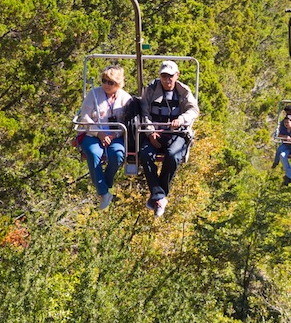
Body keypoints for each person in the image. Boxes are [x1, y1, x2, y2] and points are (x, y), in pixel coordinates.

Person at [139, 60, 199, 217]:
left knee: (173, 155)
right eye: (164, 76)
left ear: (177, 76)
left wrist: (181, 119)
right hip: (155, 132)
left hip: (176, 133)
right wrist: (150, 133)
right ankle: (160, 197)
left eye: (170, 76)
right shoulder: (151, 90)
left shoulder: (183, 91)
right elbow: (144, 112)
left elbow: (193, 110)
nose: (167, 80)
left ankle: (158, 195)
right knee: (145, 154)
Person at [77, 65, 133, 210]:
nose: (106, 85)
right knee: (93, 153)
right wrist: (99, 133)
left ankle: (104, 183)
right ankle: (103, 192)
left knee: (118, 154)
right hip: (93, 133)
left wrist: (114, 134)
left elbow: (128, 122)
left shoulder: (126, 99)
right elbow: (85, 116)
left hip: (115, 135)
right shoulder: (93, 95)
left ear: (118, 84)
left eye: (111, 82)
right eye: (104, 81)